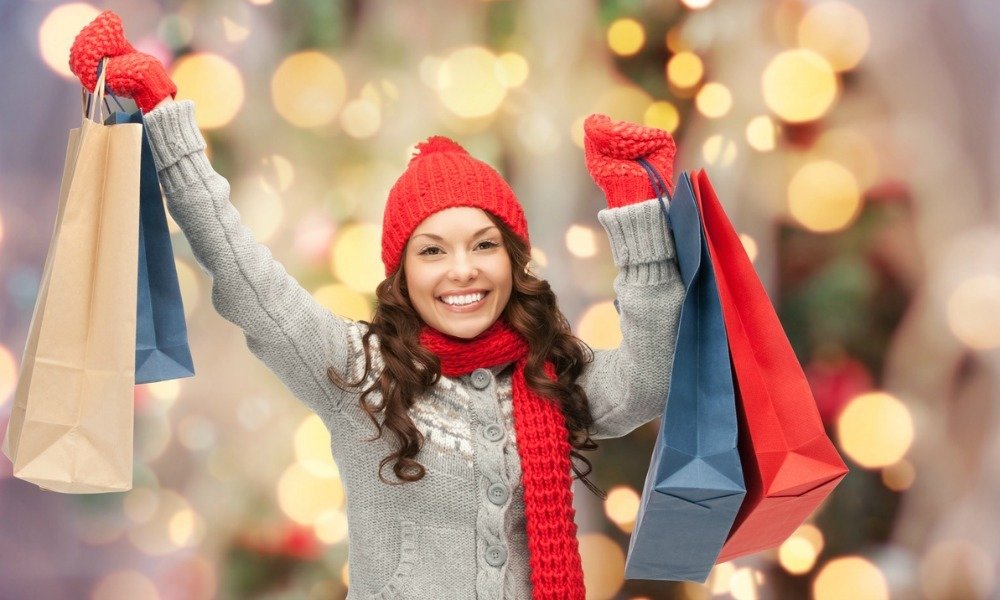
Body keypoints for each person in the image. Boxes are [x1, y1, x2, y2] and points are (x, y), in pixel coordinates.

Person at [69, 11, 683, 600]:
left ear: (513, 262)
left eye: (485, 245)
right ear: (403, 275)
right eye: (433, 251)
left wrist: (640, 217)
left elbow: (648, 380)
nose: (462, 269)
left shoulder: (549, 377)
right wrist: (164, 117)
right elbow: (243, 276)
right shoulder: (361, 371)